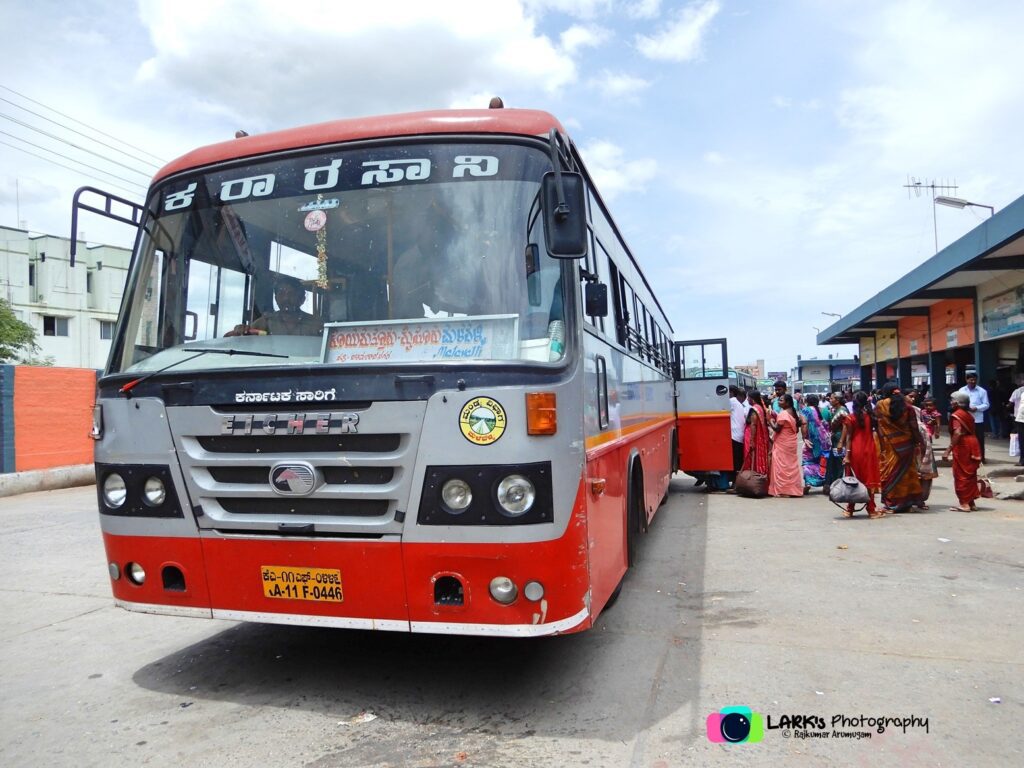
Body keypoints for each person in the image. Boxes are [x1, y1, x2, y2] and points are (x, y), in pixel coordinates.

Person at [874, 383, 923, 511]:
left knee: (890, 472)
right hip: (907, 443)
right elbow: (914, 427)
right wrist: (919, 442)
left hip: (889, 444)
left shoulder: (880, 405)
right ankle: (907, 503)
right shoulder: (908, 408)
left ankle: (892, 503)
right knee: (907, 473)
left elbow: (878, 426)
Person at [227, 276, 322, 336]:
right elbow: (244, 336)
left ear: (302, 299)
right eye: (281, 294)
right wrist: (241, 330)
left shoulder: (315, 324)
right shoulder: (266, 322)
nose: (285, 298)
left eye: (291, 294)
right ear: (276, 298)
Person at [839, 391, 883, 518]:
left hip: (855, 451)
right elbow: (879, 434)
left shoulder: (850, 418)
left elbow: (849, 437)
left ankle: (850, 509)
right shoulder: (871, 416)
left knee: (852, 480)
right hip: (869, 449)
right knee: (868, 480)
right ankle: (871, 510)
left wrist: (847, 455)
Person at [943, 392, 982, 512]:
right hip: (973, 443)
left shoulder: (956, 415)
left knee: (961, 475)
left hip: (963, 445)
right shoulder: (968, 415)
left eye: (952, 400)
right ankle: (971, 502)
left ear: (957, 402)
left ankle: (964, 504)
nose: (950, 402)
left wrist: (948, 450)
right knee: (970, 474)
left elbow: (958, 432)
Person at [905, 390, 938, 509]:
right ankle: (908, 499)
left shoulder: (918, 410)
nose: (913, 399)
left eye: (914, 397)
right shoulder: (900, 411)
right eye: (910, 396)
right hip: (908, 445)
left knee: (924, 473)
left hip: (922, 443)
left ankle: (920, 499)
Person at [769, 393, 806, 497]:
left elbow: (777, 429)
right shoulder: (792, 413)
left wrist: (770, 420)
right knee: (790, 466)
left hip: (783, 442)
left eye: (781, 400)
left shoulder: (783, 414)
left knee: (782, 466)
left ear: (788, 403)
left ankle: (785, 490)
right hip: (790, 442)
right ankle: (792, 489)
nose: (778, 402)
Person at [800, 394, 829, 491]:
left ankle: (808, 483)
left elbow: (804, 423)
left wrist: (804, 438)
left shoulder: (806, 410)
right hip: (824, 441)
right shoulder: (825, 410)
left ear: (807, 402)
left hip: (811, 440)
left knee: (808, 461)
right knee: (823, 461)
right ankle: (825, 483)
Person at [957, 374, 989, 462]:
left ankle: (981, 458)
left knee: (979, 439)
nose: (973, 382)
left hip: (977, 419)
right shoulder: (962, 390)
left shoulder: (982, 391)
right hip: (964, 419)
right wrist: (965, 407)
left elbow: (986, 404)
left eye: (974, 380)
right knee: (965, 439)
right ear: (966, 380)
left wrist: (977, 408)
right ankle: (967, 457)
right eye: (971, 380)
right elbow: (958, 402)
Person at [822, 391, 849, 489]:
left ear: (837, 400)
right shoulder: (835, 410)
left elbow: (845, 427)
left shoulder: (842, 411)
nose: (830, 399)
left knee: (838, 463)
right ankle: (832, 483)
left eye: (832, 398)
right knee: (832, 462)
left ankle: (838, 484)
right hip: (835, 439)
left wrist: (841, 441)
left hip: (839, 440)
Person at [742, 390, 771, 478]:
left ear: (752, 399)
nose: (747, 399)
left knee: (750, 456)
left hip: (753, 436)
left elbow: (753, 424)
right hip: (760, 437)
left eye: (748, 398)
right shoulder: (760, 407)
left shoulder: (755, 409)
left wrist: (751, 440)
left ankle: (753, 477)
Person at [728, 386, 747, 489]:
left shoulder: (732, 401)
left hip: (734, 435)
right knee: (738, 460)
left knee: (735, 461)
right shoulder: (738, 403)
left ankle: (736, 484)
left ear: (731, 392)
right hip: (739, 435)